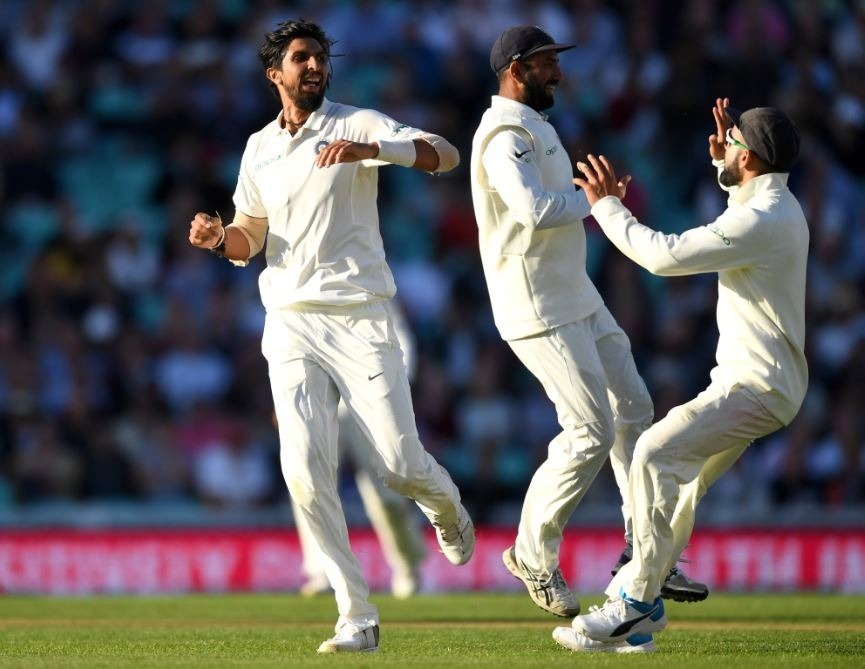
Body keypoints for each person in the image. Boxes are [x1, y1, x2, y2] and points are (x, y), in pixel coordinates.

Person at [187, 19, 474, 654]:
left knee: (398, 463)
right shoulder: (258, 147)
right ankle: (356, 615)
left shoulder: (356, 122)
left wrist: (376, 152)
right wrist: (218, 241)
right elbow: (250, 238)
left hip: (360, 316)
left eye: (319, 57)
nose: (314, 66)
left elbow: (446, 155)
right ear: (275, 75)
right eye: (300, 59)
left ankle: (445, 504)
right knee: (305, 473)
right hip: (289, 322)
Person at [469, 24, 707, 619]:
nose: (559, 72)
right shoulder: (502, 134)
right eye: (548, 63)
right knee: (590, 433)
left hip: (576, 294)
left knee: (634, 411)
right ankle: (531, 553)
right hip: (535, 305)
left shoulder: (536, 126)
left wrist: (597, 199)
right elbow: (530, 210)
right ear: (516, 69)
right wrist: (599, 202)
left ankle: (644, 551)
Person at [557, 100, 807, 653]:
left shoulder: (760, 219)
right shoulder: (772, 204)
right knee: (683, 485)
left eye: (733, 142)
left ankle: (638, 602)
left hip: (756, 386)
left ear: (751, 158)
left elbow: (663, 258)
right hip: (759, 384)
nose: (724, 144)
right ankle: (637, 616)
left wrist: (607, 207)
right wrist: (727, 171)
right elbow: (741, 208)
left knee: (650, 454)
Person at [294, 303, 427, 600]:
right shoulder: (304, 285)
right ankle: (320, 571)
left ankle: (407, 566)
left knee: (389, 493)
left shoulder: (366, 278)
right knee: (308, 478)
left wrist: (393, 393)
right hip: (320, 400)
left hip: (367, 402)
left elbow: (400, 340)